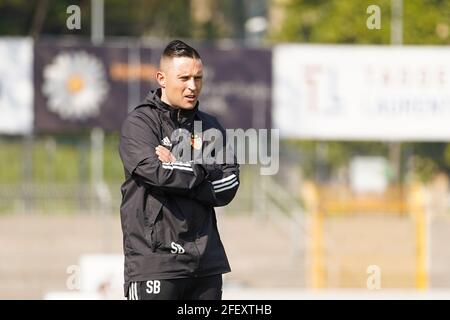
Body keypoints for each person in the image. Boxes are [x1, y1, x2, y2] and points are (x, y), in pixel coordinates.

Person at [119, 40, 240, 300]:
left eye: (198, 78)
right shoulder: (139, 124)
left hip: (206, 266)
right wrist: (205, 170)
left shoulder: (210, 127)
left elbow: (229, 185)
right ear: (161, 78)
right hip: (156, 264)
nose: (193, 86)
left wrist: (178, 166)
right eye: (184, 78)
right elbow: (155, 173)